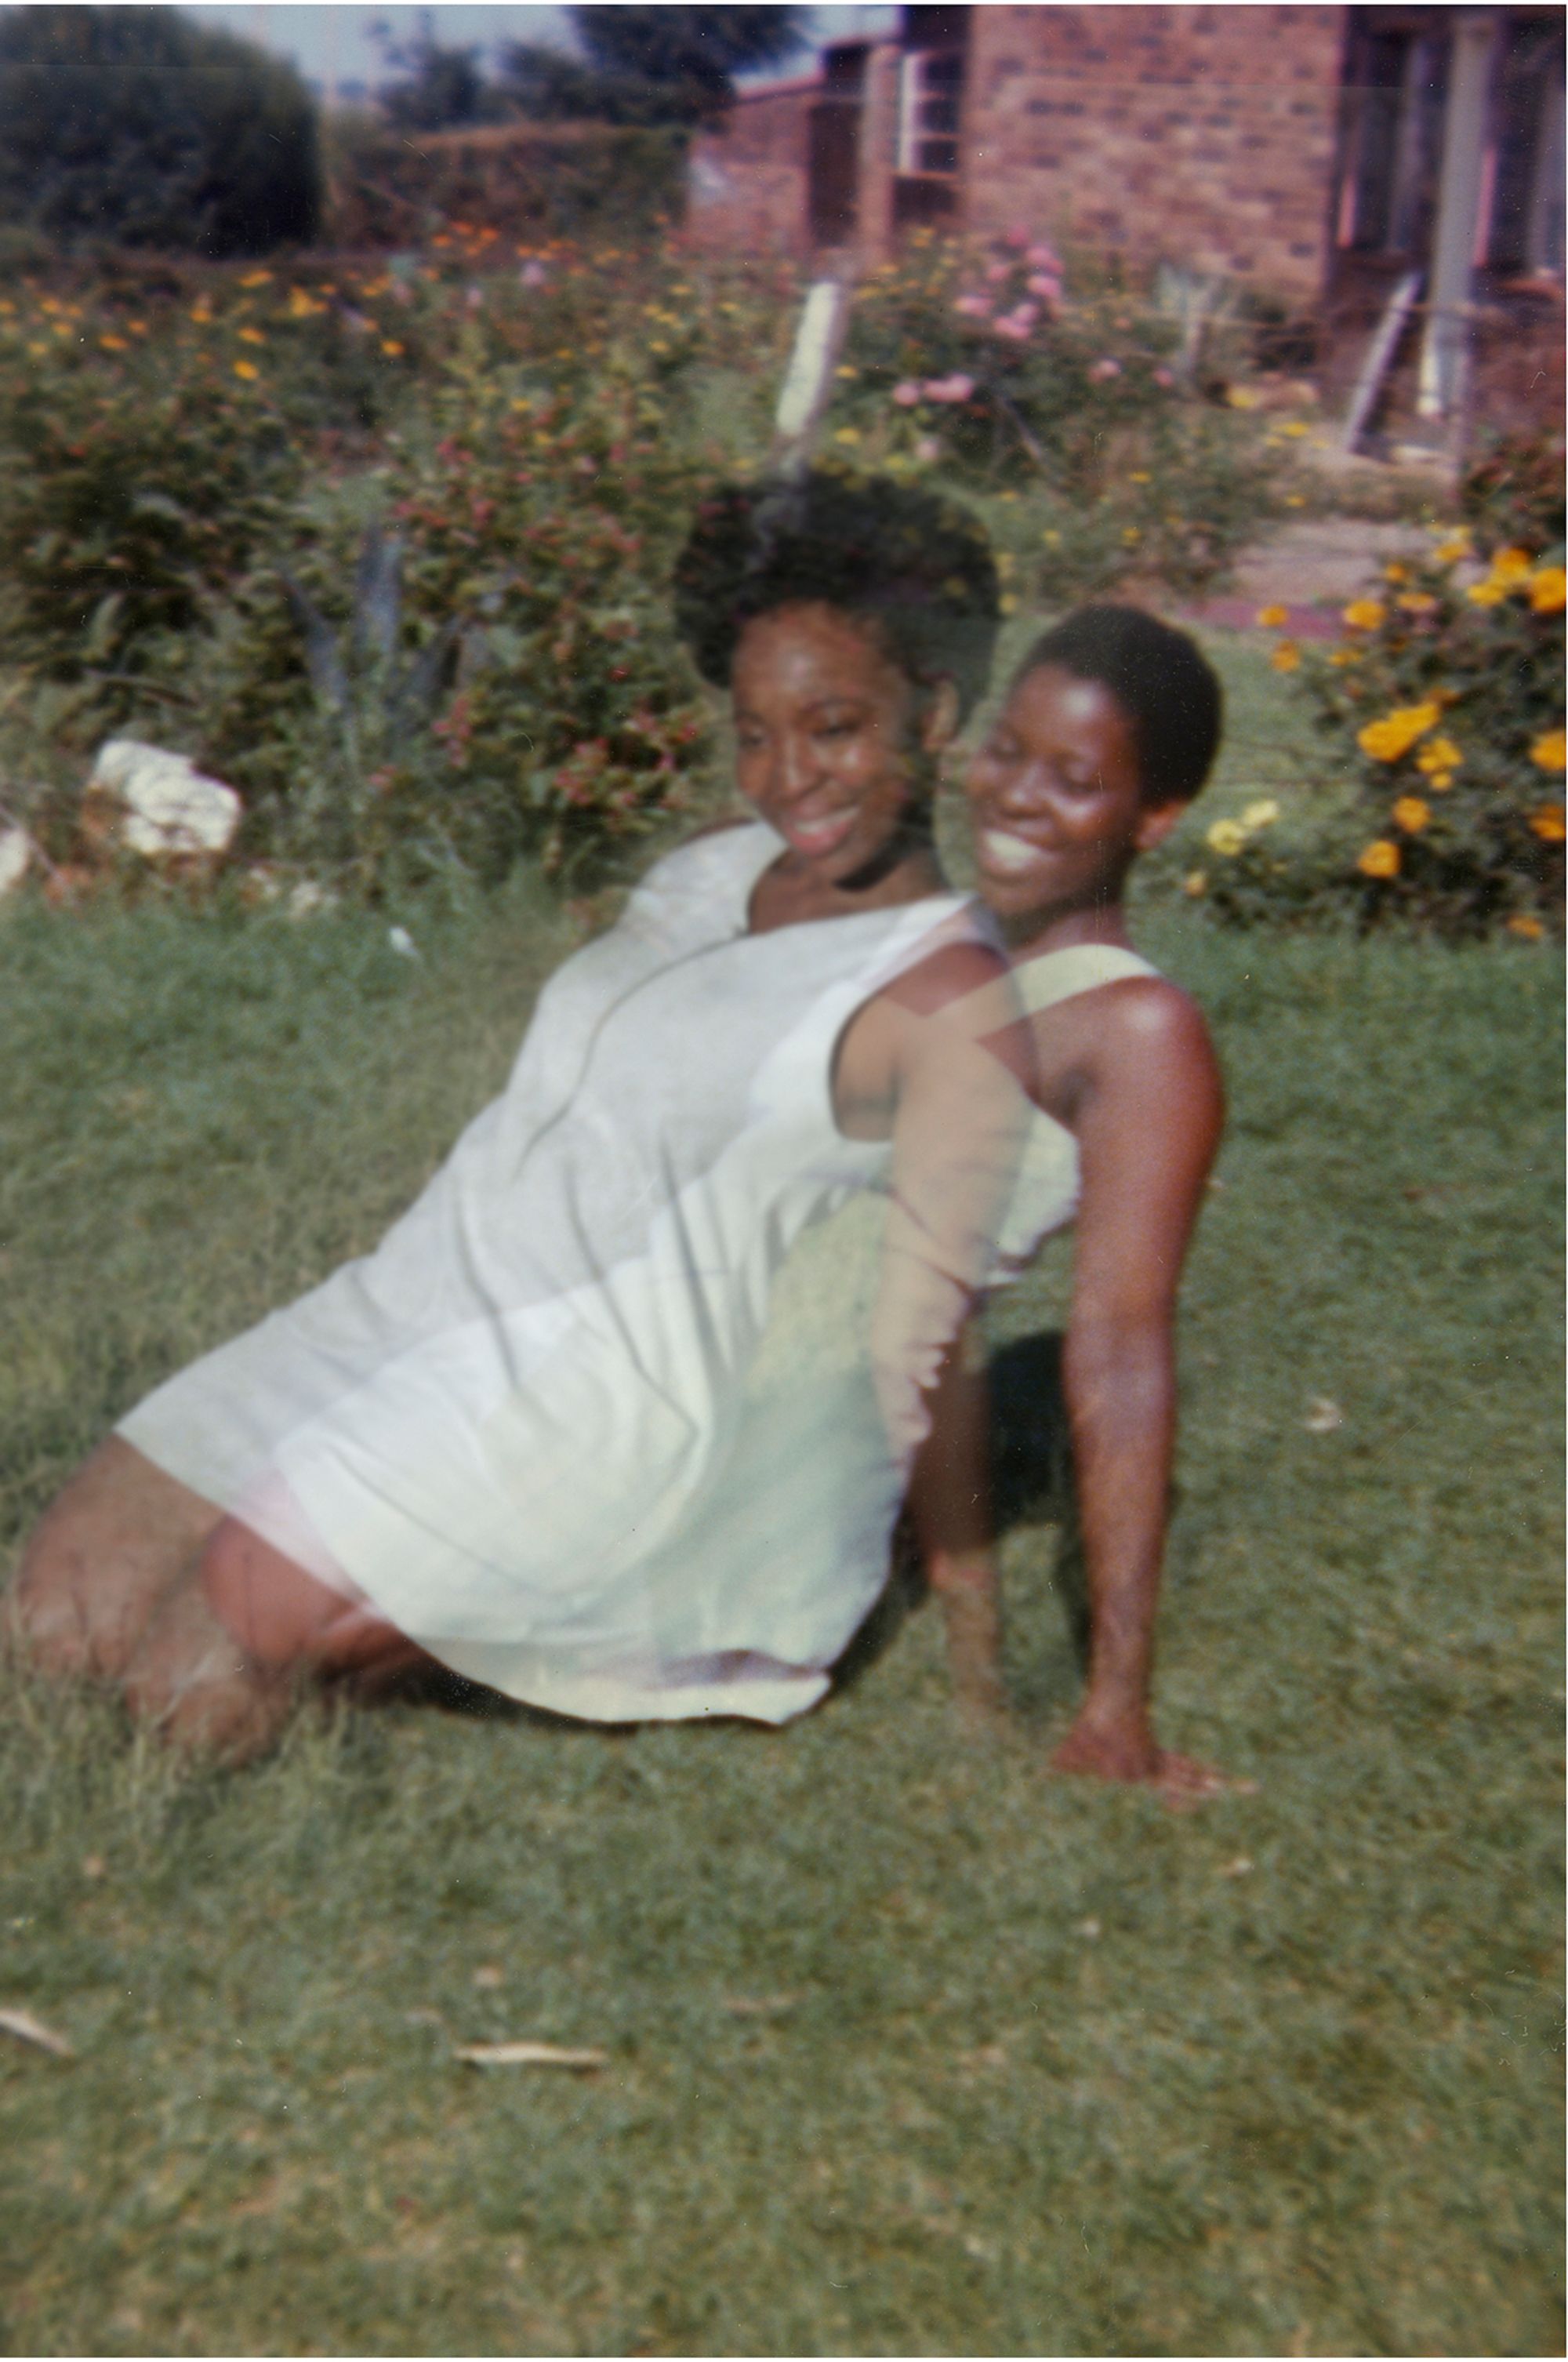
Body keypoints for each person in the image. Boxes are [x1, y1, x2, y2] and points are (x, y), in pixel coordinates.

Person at [5, 469, 1029, 1761]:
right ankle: (351, 1573)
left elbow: (939, 1334)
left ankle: (446, 1595)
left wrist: (974, 1631)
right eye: (754, 733)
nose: (789, 778)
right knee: (57, 1627)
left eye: (834, 729)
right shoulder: (714, 866)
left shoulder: (947, 997)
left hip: (585, 1411)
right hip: (409, 1302)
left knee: (185, 1692)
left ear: (935, 712)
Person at [908, 605, 1234, 1805]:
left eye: (1077, 779)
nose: (1018, 796)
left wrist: (1115, 1708)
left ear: (1156, 818)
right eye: (1008, 751)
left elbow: (1121, 1349)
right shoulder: (942, 945)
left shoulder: (1137, 1032)